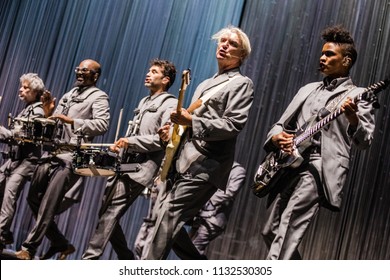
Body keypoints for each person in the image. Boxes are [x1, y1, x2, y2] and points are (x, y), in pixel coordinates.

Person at [260, 25, 376, 260]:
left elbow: (365, 141)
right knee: (270, 230)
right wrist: (276, 136)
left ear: (346, 60)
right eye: (322, 53)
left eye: (329, 54)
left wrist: (353, 117)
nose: (322, 58)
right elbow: (280, 124)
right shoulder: (307, 89)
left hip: (320, 165)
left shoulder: (359, 94)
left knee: (289, 227)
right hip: (289, 163)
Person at [144, 25, 253, 260]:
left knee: (169, 214)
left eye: (231, 43)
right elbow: (189, 124)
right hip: (185, 161)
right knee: (166, 216)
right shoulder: (205, 84)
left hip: (208, 163)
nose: (224, 45)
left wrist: (191, 120)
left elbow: (233, 125)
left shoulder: (241, 84)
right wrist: (173, 131)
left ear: (242, 55)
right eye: (222, 41)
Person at [82, 59, 177, 260]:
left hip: (140, 168)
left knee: (110, 213)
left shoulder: (170, 104)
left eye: (154, 71)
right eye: (149, 70)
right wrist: (122, 146)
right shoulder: (145, 101)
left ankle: (88, 260)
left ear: (166, 80)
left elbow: (162, 141)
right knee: (106, 214)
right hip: (124, 164)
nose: (148, 74)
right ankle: (128, 260)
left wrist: (130, 141)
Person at [15, 59, 110, 260]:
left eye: (85, 71)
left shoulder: (99, 97)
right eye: (78, 69)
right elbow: (56, 122)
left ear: (95, 76)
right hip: (53, 152)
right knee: (33, 197)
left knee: (49, 203)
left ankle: (28, 248)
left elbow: (102, 125)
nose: (80, 73)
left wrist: (73, 121)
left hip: (72, 156)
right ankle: (60, 243)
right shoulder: (69, 94)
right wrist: (49, 113)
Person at [134, 161, 246, 259]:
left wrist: (204, 197)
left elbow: (229, 192)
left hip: (214, 219)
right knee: (186, 247)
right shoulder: (217, 166)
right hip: (200, 216)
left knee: (193, 249)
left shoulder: (238, 171)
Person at [0, 73, 46, 251]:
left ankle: (1, 234)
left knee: (9, 196)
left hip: (26, 162)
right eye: (22, 86)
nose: (21, 89)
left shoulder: (38, 111)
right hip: (15, 159)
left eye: (26, 88)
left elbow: (17, 136)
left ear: (36, 92)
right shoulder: (28, 108)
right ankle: (4, 234)